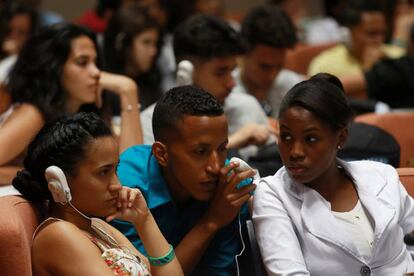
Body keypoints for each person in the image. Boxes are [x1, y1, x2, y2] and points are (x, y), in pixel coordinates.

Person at [252, 73, 414, 275]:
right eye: (286, 137)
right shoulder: (273, 194)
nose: (295, 152)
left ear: (341, 137)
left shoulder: (381, 175)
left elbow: (411, 234)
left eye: (310, 139)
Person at [12, 112, 183, 276]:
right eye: (103, 172)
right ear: (59, 181)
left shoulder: (99, 227)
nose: (118, 184)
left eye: (115, 169)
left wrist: (144, 220)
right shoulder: (59, 234)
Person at [112, 85, 257, 275]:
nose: (215, 166)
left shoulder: (230, 184)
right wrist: (211, 222)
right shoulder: (125, 188)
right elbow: (146, 273)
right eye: (200, 152)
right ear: (161, 153)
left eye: (222, 149)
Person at [0, 23, 142, 188]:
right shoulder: (32, 114)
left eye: (95, 63)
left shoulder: (83, 115)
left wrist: (128, 90)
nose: (96, 72)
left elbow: (130, 173)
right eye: (82, 62)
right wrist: (44, 174)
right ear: (54, 69)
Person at [140, 14, 276, 159]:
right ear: (186, 71)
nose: (232, 83)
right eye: (221, 72)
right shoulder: (152, 123)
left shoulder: (248, 107)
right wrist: (235, 141)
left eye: (233, 70)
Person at [234, 4, 303, 118]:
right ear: (243, 54)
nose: (272, 75)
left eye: (279, 67)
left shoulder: (290, 85)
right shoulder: (227, 95)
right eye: (264, 67)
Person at [308, 0, 405, 77]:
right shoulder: (324, 66)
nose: (379, 40)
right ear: (347, 34)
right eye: (372, 34)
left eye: (382, 33)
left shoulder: (398, 56)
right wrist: (368, 72)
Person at [104, 3, 162, 110]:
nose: (153, 51)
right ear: (124, 43)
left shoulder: (152, 80)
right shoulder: (107, 88)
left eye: (155, 43)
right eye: (146, 42)